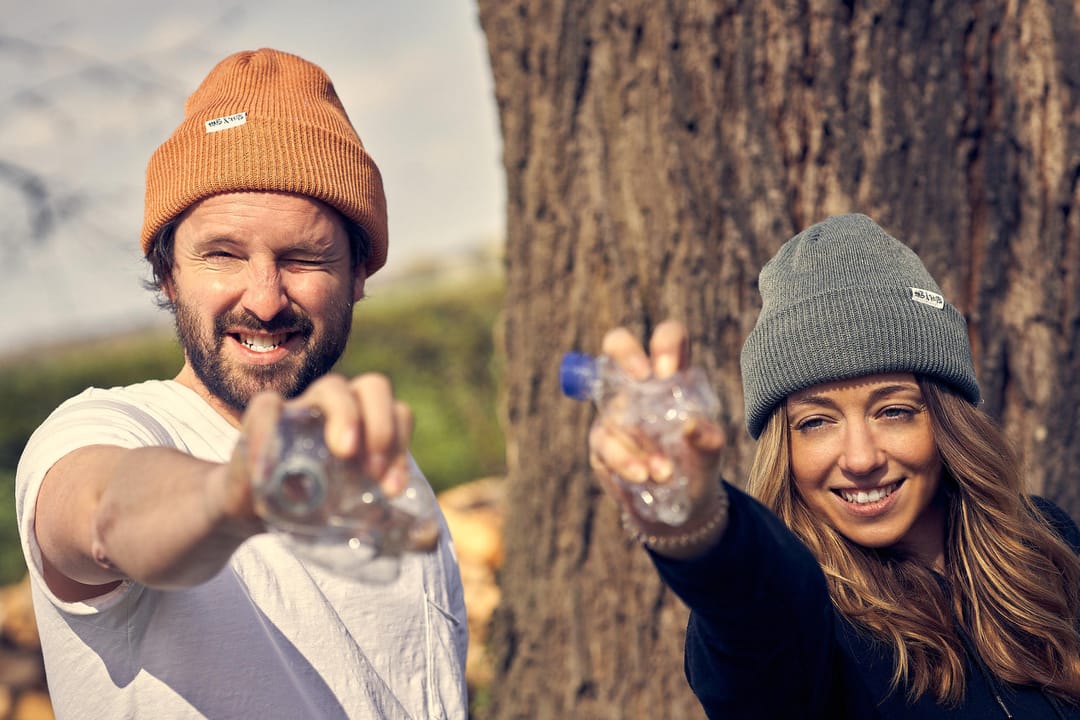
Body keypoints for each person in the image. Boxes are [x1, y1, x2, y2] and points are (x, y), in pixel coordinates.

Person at [14, 48, 468, 719]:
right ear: (169, 275)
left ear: (360, 273)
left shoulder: (386, 473)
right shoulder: (102, 432)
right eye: (223, 254)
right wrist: (236, 492)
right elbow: (107, 512)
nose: (264, 298)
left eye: (304, 257)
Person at [586, 214, 1080, 718]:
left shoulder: (1046, 545)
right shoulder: (802, 616)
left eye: (893, 411)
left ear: (947, 422)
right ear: (785, 445)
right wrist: (697, 523)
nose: (861, 458)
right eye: (817, 422)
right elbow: (747, 615)